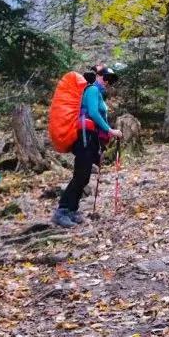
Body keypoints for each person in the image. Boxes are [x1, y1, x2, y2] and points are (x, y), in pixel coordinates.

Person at [52, 65, 122, 227]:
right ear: (97, 76)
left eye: (110, 80)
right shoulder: (92, 90)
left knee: (83, 176)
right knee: (80, 175)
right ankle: (62, 211)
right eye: (105, 78)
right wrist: (109, 130)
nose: (107, 82)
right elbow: (93, 113)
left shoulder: (98, 93)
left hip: (90, 138)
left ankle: (72, 210)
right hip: (84, 137)